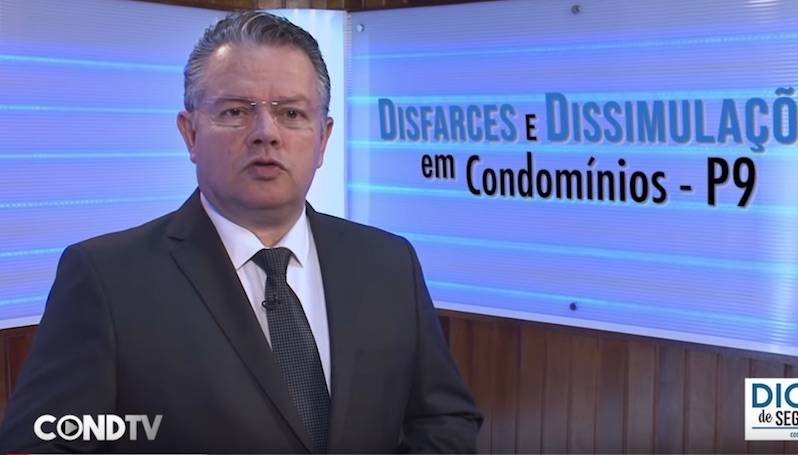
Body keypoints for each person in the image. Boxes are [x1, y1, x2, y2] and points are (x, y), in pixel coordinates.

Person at [0, 11, 481, 453]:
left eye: (291, 113)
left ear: (323, 138)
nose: (266, 132)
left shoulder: (388, 263)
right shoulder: (106, 279)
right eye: (235, 111)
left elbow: (443, 419)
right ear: (190, 133)